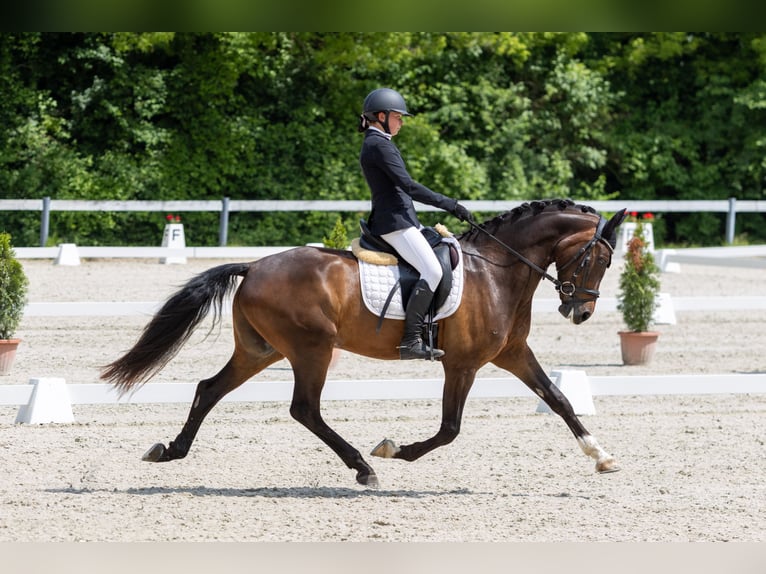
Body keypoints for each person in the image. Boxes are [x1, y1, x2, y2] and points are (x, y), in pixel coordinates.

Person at [358, 87, 474, 360]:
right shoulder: (378, 144)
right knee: (432, 271)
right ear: (381, 116)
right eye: (398, 116)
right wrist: (450, 204)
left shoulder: (381, 142)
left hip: (403, 219)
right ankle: (411, 340)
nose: (402, 122)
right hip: (395, 223)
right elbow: (408, 186)